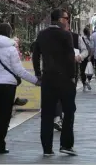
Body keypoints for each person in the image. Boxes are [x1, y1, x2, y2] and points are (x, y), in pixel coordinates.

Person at [0, 23, 39, 154]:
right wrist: (35, 81)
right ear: (9, 33)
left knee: (1, 113)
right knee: (4, 115)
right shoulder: (11, 48)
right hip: (8, 85)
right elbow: (19, 70)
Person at [32, 9, 77, 156]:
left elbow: (35, 55)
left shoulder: (42, 35)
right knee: (69, 111)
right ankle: (66, 144)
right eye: (66, 18)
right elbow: (71, 57)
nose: (67, 20)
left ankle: (47, 148)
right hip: (64, 79)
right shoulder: (65, 35)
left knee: (47, 114)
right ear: (59, 20)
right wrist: (73, 76)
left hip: (48, 79)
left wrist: (38, 73)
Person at [81, 27, 93, 92]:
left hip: (83, 56)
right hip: (89, 56)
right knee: (90, 70)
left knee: (83, 70)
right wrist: (91, 56)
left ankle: (84, 84)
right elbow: (92, 48)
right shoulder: (91, 38)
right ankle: (87, 81)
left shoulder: (82, 38)